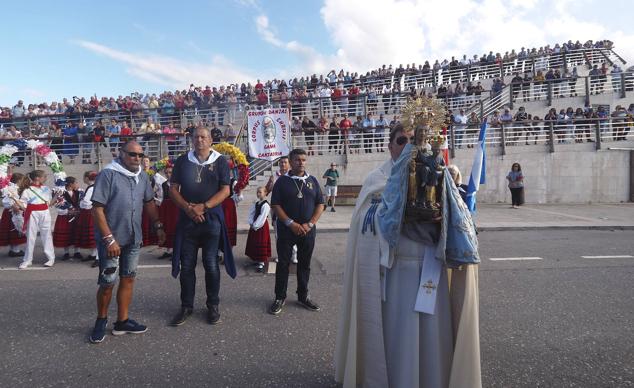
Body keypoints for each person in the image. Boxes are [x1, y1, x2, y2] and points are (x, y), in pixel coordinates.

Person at [335, 124, 481, 388]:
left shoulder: (441, 177)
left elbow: (461, 223)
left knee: (431, 336)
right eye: (402, 140)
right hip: (394, 273)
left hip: (430, 270)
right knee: (396, 335)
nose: (409, 146)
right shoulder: (376, 180)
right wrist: (396, 215)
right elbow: (365, 226)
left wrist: (443, 217)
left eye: (415, 140)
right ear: (390, 146)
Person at [88, 141, 165, 344]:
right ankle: (101, 320)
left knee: (128, 278)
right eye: (132, 154)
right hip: (112, 240)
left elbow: (148, 202)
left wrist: (158, 225)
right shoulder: (108, 174)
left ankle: (122, 321)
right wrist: (109, 239)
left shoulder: (141, 175)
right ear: (121, 153)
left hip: (133, 238)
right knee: (107, 283)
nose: (137, 159)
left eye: (140, 155)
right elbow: (97, 209)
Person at [168, 127, 236, 327]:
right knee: (187, 266)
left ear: (210, 140)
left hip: (212, 219)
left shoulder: (220, 161)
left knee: (211, 264)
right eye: (196, 137)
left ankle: (212, 305)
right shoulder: (182, 160)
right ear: (191, 140)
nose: (199, 140)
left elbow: (225, 190)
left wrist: (203, 207)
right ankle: (186, 306)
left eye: (203, 137)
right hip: (188, 219)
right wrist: (189, 209)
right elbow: (173, 189)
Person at [269, 148, 325, 315]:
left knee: (304, 264)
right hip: (287, 231)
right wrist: (290, 223)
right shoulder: (282, 182)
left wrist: (310, 223)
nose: (301, 163)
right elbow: (276, 205)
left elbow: (320, 204)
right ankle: (280, 297)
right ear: (291, 162)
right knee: (284, 264)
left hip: (308, 230)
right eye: (297, 160)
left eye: (303, 160)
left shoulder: (313, 181)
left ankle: (303, 296)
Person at [17, 170, 58, 269]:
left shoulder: (46, 189)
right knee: (31, 236)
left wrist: (57, 196)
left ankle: (51, 258)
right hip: (32, 213)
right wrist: (16, 201)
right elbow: (22, 204)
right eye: (44, 176)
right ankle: (27, 260)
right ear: (37, 178)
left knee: (47, 235)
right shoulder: (27, 190)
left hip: (45, 213)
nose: (46, 178)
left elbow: (49, 203)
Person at [265, 156, 298, 264]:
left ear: (289, 164)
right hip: (277, 210)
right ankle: (281, 255)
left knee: (292, 233)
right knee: (278, 235)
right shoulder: (274, 176)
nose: (283, 164)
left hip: (290, 209)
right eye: (281, 162)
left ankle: (294, 255)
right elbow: (266, 191)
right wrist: (270, 184)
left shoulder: (293, 176)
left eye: (285, 162)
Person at [53, 177, 83, 260]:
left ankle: (77, 251)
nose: (77, 184)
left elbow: (82, 203)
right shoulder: (61, 193)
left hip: (77, 216)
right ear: (70, 184)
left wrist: (78, 211)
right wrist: (68, 211)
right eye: (76, 182)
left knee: (77, 233)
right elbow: (58, 205)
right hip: (65, 217)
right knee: (66, 233)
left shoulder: (80, 192)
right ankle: (66, 252)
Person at [245, 187, 271, 272]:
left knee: (261, 241)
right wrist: (251, 222)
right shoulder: (256, 203)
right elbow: (251, 213)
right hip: (255, 225)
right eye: (257, 192)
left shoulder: (266, 205)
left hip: (261, 226)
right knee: (255, 241)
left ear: (265, 193)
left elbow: (262, 216)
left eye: (260, 192)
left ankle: (261, 262)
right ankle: (256, 258)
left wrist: (256, 225)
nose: (258, 194)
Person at [0, 173, 26, 257]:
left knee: (12, 230)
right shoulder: (11, 188)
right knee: (15, 229)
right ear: (19, 180)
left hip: (9, 212)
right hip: (12, 212)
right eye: (22, 180)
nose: (23, 182)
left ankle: (13, 249)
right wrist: (14, 206)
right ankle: (15, 250)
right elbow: (8, 200)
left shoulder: (12, 187)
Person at [77, 171, 99, 267]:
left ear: (87, 178)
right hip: (92, 213)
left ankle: (98, 257)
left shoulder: (91, 188)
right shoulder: (95, 187)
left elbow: (86, 202)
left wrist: (81, 202)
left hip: (91, 213)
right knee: (93, 235)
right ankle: (94, 254)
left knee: (95, 235)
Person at [157, 163, 178, 259]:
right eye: (166, 173)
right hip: (167, 207)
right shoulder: (163, 184)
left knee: (175, 228)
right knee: (167, 227)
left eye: (170, 172)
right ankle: (169, 250)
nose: (168, 175)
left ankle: (177, 250)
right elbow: (161, 196)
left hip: (176, 207)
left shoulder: (178, 184)